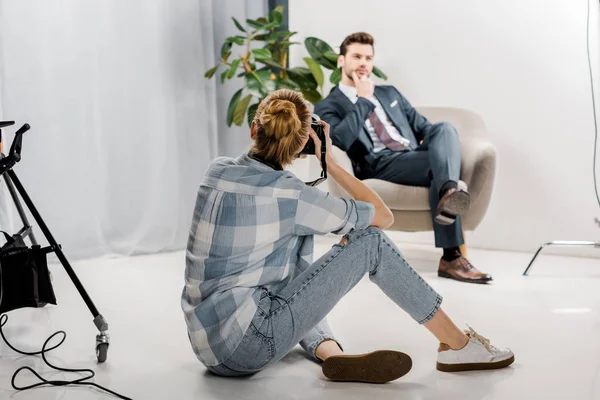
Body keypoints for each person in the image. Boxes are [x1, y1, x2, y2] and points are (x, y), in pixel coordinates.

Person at [181, 89, 514, 383]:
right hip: (249, 347)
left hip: (206, 344)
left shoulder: (218, 170)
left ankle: (331, 354)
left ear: (254, 129)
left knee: (287, 266)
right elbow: (383, 217)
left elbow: (294, 276)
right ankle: (456, 344)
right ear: (302, 147)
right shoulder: (292, 196)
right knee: (370, 243)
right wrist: (332, 162)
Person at [314, 32, 492, 284]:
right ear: (341, 61)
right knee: (438, 167)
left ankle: (448, 193)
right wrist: (363, 99)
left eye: (368, 57)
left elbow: (424, 128)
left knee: (444, 129)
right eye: (356, 56)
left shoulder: (389, 93)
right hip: (379, 162)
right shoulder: (328, 104)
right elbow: (341, 139)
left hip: (412, 156)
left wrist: (441, 143)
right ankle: (451, 257)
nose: (363, 62)